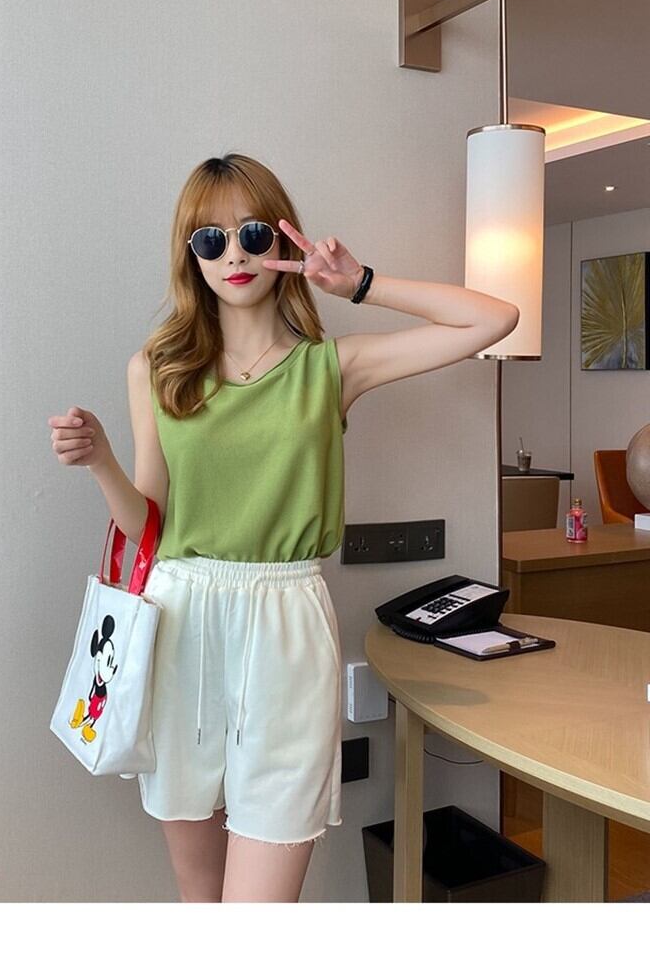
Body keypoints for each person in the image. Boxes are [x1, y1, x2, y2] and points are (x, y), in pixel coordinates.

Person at [48, 153, 519, 902]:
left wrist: (361, 283)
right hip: (180, 618)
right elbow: (150, 527)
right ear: (191, 256)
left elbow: (494, 318)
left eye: (252, 233)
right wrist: (102, 460)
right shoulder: (157, 369)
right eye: (210, 239)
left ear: (282, 240)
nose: (233, 255)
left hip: (286, 623)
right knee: (200, 900)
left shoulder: (331, 368)